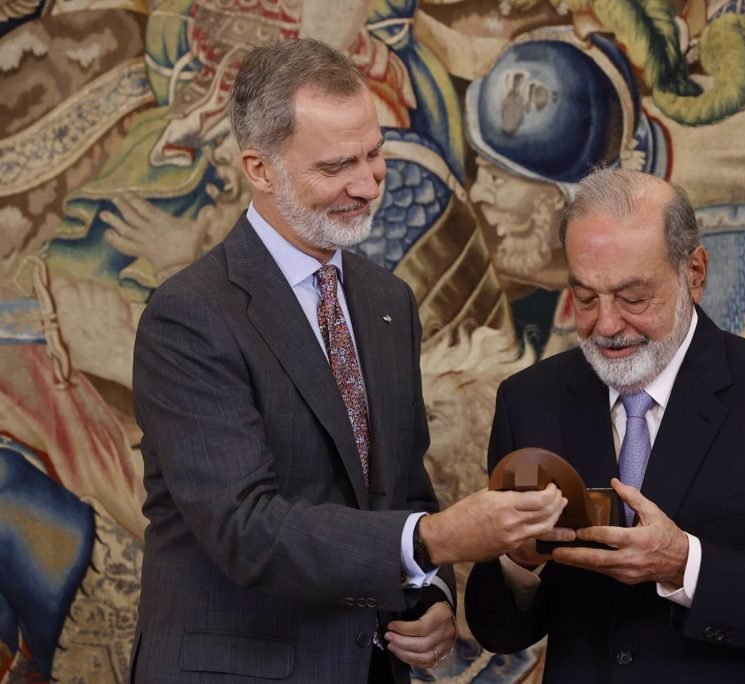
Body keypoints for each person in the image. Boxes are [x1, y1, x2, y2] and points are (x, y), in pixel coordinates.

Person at [130, 38, 566, 684]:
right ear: (259, 168)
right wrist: (434, 542)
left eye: (375, 155)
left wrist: (434, 597)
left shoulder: (387, 301)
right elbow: (247, 530)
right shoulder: (189, 317)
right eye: (337, 167)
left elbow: (401, 490)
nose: (367, 186)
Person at [465, 168, 745, 682]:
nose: (605, 326)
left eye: (633, 299)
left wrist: (684, 566)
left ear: (694, 272)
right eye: (585, 298)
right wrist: (521, 563)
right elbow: (499, 630)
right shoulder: (527, 401)